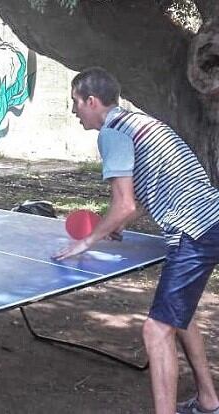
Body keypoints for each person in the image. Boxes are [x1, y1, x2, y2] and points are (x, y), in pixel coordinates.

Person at [52, 67, 219, 414]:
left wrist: (87, 242)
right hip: (210, 221)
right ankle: (208, 401)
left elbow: (124, 203)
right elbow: (140, 199)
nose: (73, 111)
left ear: (92, 101)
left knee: (156, 331)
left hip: (194, 230)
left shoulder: (111, 134)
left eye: (75, 103)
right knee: (179, 317)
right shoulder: (141, 123)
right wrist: (118, 221)